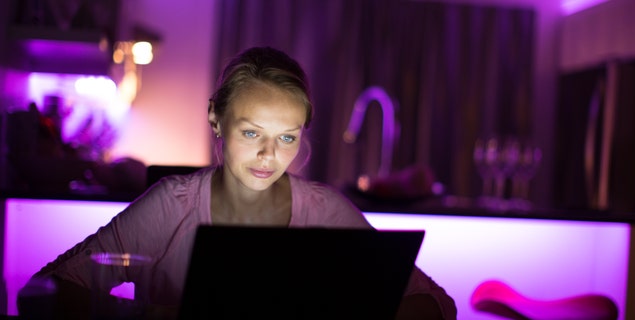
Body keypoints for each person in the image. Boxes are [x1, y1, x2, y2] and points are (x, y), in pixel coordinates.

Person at [17, 46, 457, 319]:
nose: (270, 156)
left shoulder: (326, 210)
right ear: (216, 119)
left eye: (287, 137)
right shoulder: (174, 205)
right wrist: (153, 315)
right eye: (252, 133)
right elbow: (41, 292)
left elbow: (438, 305)